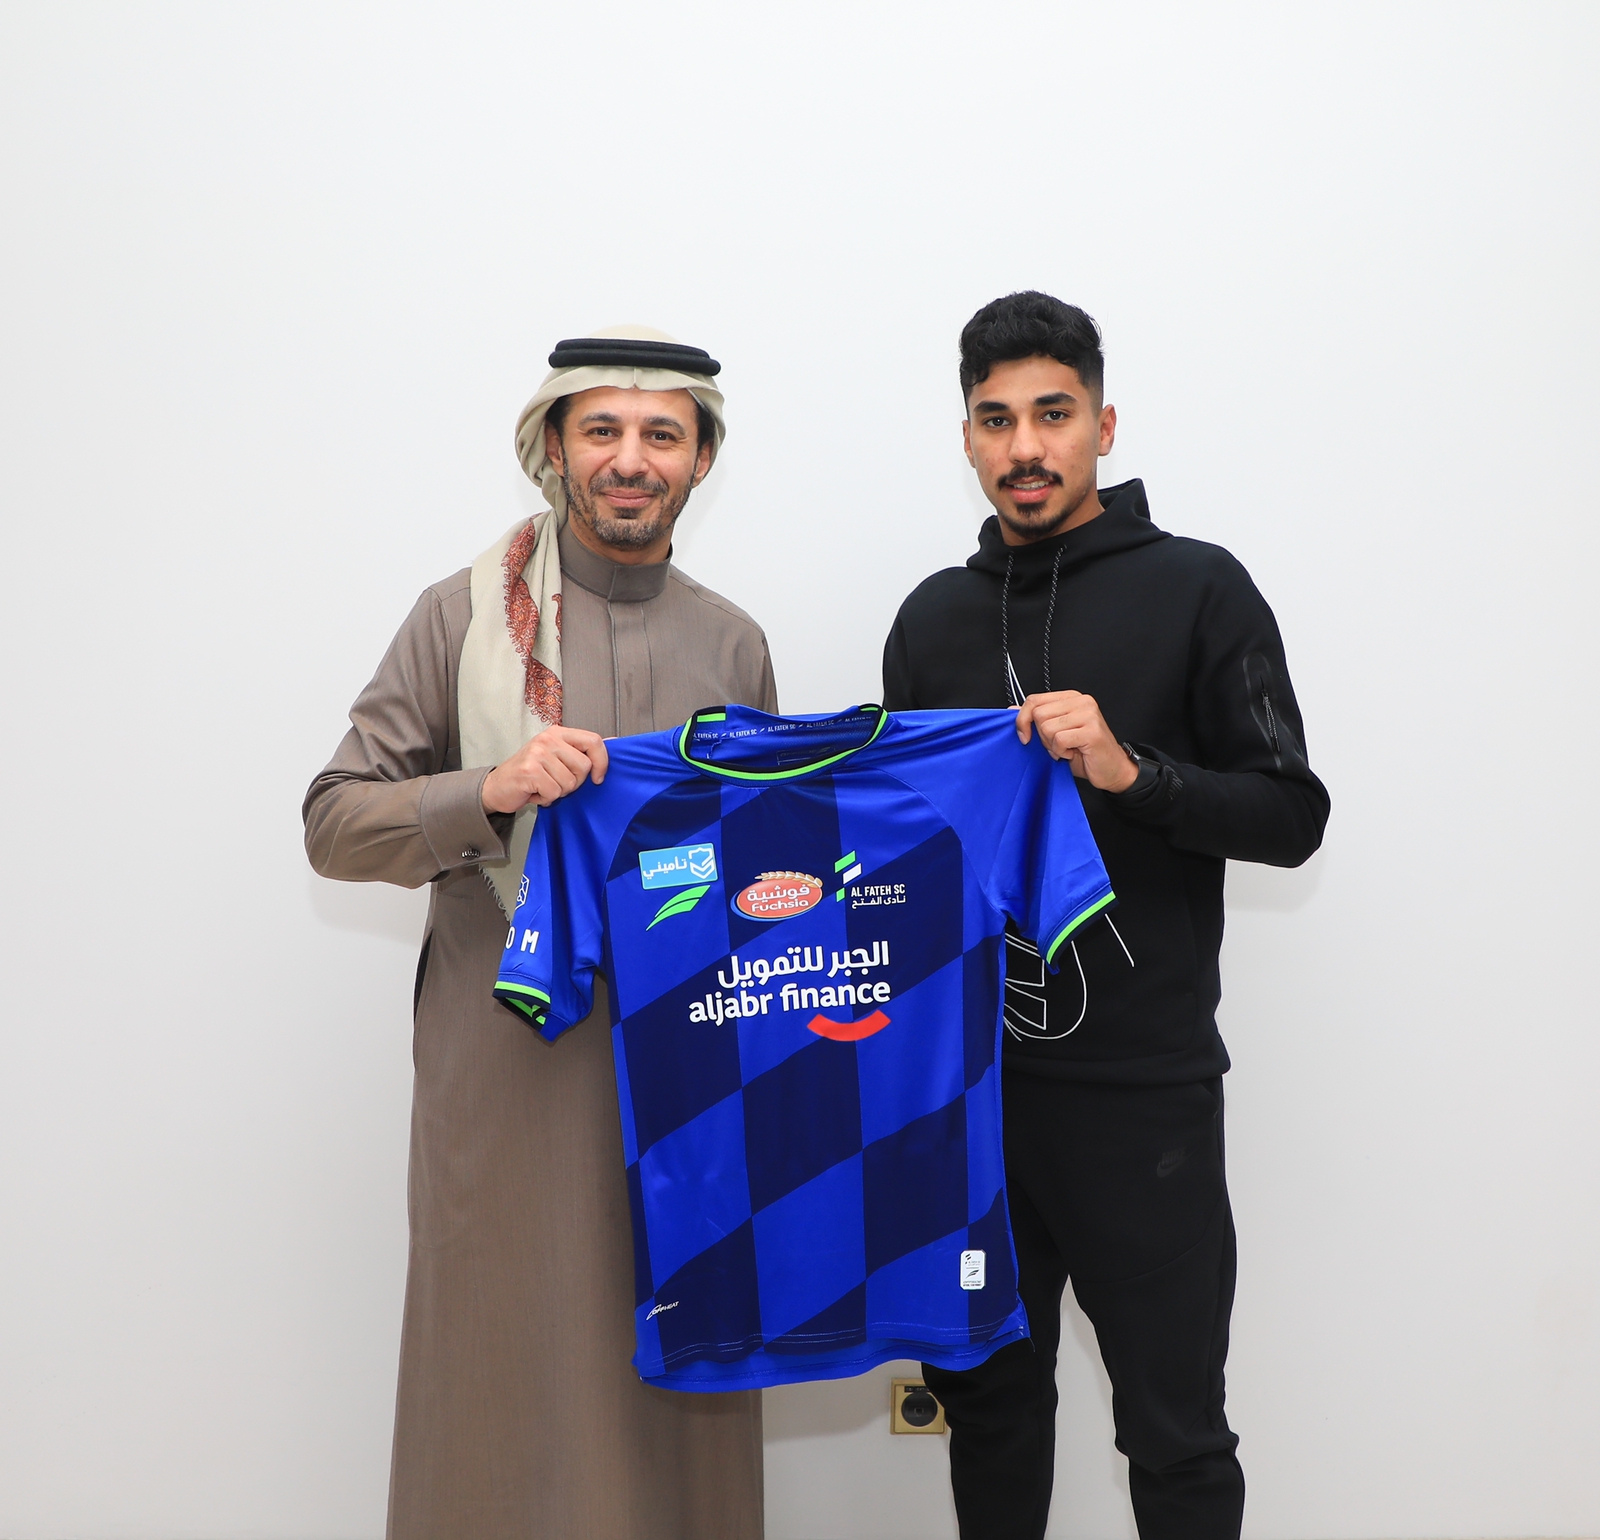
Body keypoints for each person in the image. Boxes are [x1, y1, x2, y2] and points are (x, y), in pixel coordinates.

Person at [304, 326, 774, 1540]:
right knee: (501, 1354)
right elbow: (335, 823)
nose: (630, 458)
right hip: (506, 1064)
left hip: (685, 1070)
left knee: (682, 1349)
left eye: (661, 433)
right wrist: (489, 790)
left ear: (700, 460)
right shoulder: (462, 618)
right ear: (554, 448)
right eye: (601, 429)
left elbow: (763, 866)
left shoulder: (732, 643)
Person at [882, 291, 1330, 1540]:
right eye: (996, 419)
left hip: (1141, 1098)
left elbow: (1291, 813)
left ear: (1103, 425)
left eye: (1053, 414)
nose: (1025, 445)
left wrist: (1132, 772)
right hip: (970, 1100)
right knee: (989, 1411)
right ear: (966, 438)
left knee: (1175, 1430)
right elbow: (903, 861)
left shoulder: (1198, 587)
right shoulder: (930, 618)